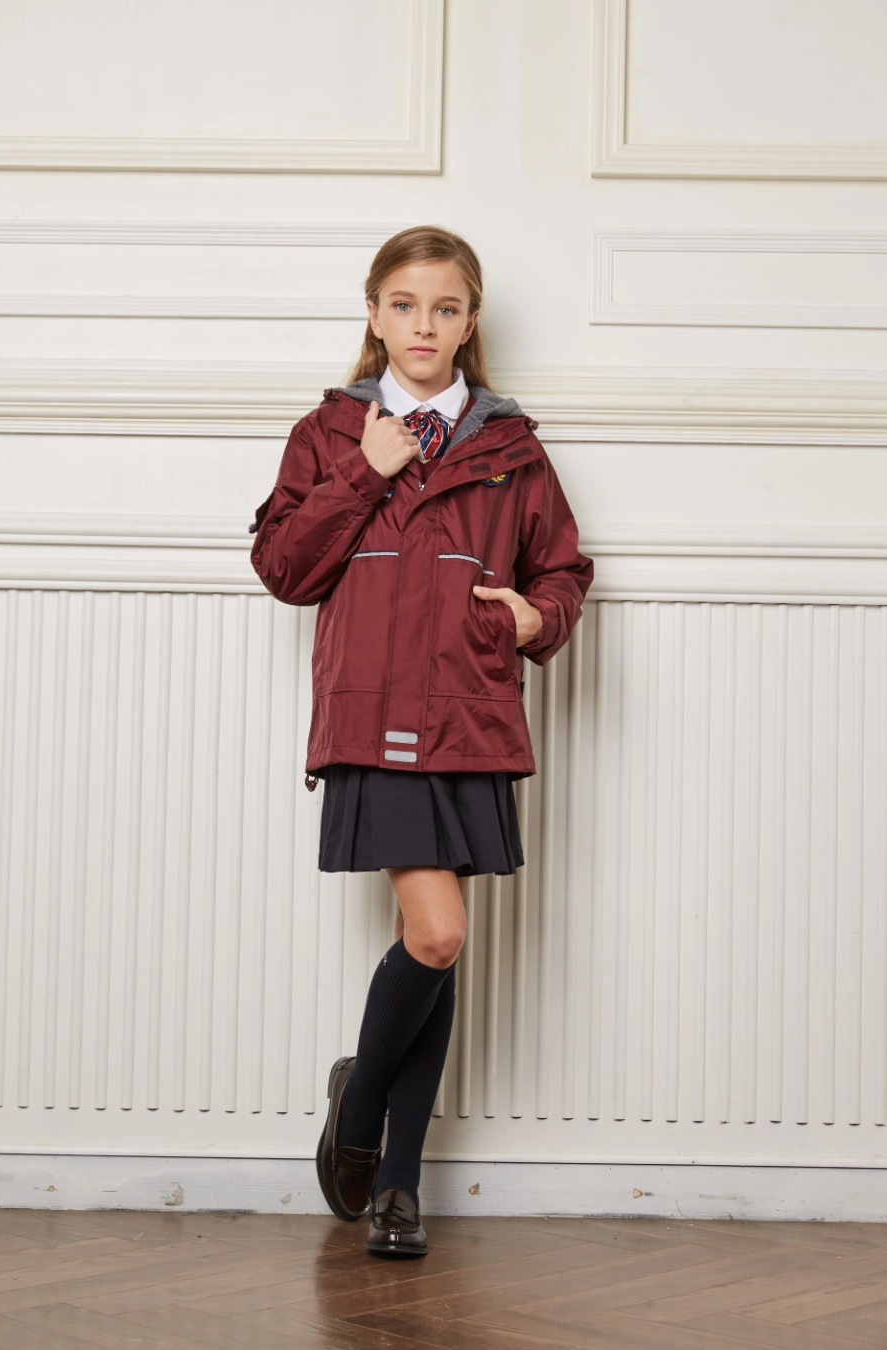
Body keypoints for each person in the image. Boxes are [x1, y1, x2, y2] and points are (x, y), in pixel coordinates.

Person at [249, 225, 593, 1258]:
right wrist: (363, 472)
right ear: (374, 313)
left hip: (473, 712)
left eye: (445, 308)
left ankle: (398, 1184)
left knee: (435, 948)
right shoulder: (331, 432)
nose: (424, 326)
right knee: (438, 936)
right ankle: (358, 1117)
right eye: (404, 305)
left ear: (470, 320)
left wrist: (535, 618)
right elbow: (284, 567)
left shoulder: (511, 446)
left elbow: (562, 569)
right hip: (374, 712)